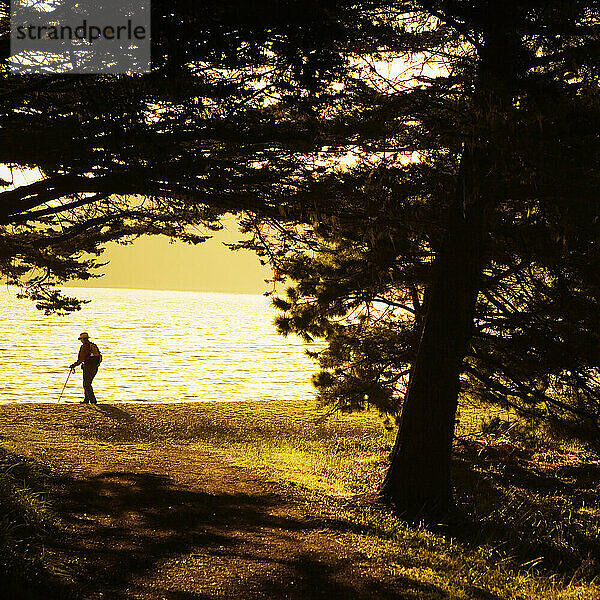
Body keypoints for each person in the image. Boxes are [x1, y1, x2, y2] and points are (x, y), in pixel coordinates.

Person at [70, 332, 102, 404]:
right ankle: (87, 400)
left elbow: (81, 359)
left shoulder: (84, 347)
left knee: (86, 384)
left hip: (88, 367)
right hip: (94, 367)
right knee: (88, 383)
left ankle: (92, 400)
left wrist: (74, 365)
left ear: (83, 340)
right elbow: (99, 356)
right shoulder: (93, 345)